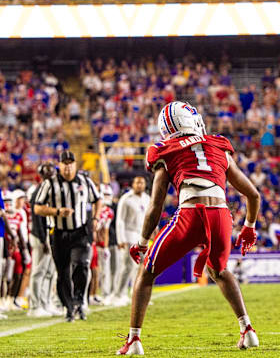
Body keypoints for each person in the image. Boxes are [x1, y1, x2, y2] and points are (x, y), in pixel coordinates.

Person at [116, 101, 261, 355]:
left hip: (191, 213)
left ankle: (134, 340)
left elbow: (156, 205)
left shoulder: (164, 151)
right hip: (221, 215)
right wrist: (249, 226)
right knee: (220, 270)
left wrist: (141, 241)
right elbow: (254, 195)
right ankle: (247, 330)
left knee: (147, 270)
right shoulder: (219, 145)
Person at [34, 150, 103, 322]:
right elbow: (37, 207)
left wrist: (95, 218)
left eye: (70, 162)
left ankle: (80, 300)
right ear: (60, 165)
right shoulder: (50, 183)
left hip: (80, 231)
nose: (67, 166)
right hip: (57, 233)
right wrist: (57, 211)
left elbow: (98, 199)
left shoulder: (85, 181)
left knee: (82, 264)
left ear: (75, 164)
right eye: (64, 163)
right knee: (62, 271)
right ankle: (69, 307)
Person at [111, 176, 150, 306]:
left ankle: (137, 294)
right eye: (137, 183)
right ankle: (118, 294)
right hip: (128, 236)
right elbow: (120, 220)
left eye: (142, 183)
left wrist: (153, 232)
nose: (139, 185)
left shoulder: (147, 198)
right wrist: (120, 239)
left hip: (142, 237)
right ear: (133, 184)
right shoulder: (126, 199)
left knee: (144, 267)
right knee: (127, 266)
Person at [27, 163, 60, 317]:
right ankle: (35, 306)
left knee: (49, 272)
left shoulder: (51, 188)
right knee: (38, 271)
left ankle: (46, 302)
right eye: (47, 172)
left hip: (50, 233)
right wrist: (43, 240)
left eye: (52, 171)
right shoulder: (38, 190)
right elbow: (37, 218)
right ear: (41, 174)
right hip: (41, 235)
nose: (50, 174)